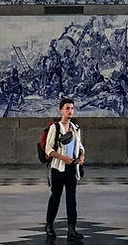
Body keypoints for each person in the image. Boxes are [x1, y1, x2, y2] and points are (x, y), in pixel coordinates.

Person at [43, 96, 85, 242]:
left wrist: (81, 156)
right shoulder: (55, 128)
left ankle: (71, 229)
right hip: (58, 168)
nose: (70, 111)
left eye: (72, 108)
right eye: (67, 108)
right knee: (55, 197)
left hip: (72, 168)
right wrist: (63, 158)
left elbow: (80, 146)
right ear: (61, 110)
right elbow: (48, 150)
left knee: (71, 199)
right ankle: (49, 224)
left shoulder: (76, 128)